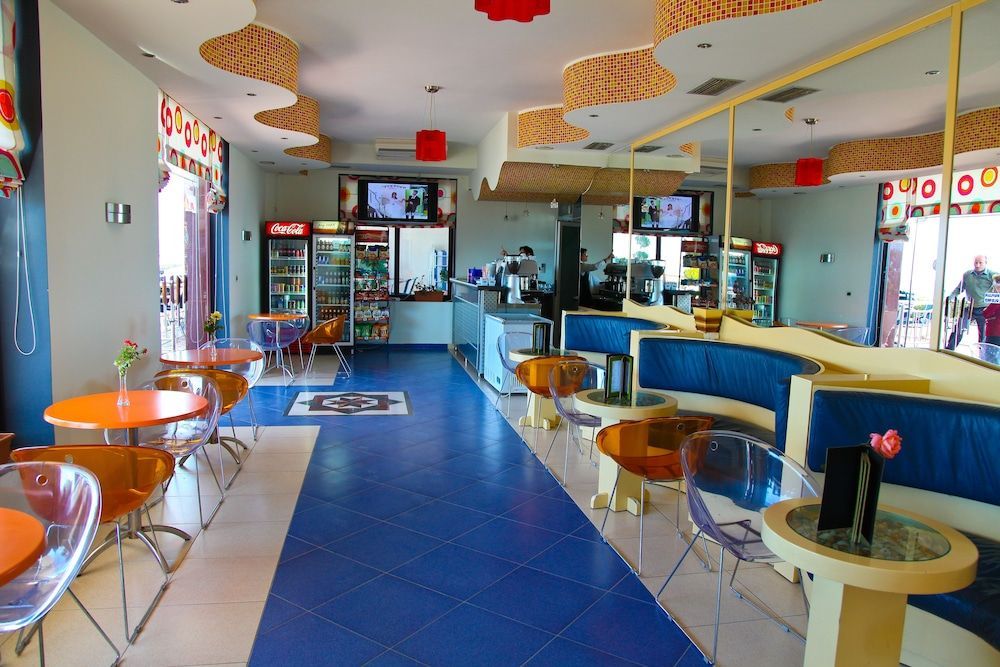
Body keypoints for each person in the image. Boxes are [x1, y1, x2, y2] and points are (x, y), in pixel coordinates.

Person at [945, 254, 996, 349]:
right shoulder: (967, 275)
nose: (977, 265)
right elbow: (959, 288)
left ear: (985, 263)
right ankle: (949, 349)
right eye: (976, 263)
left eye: (980, 263)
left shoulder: (992, 275)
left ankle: (982, 355)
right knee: (959, 328)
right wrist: (950, 298)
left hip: (985, 309)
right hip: (970, 308)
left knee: (983, 335)